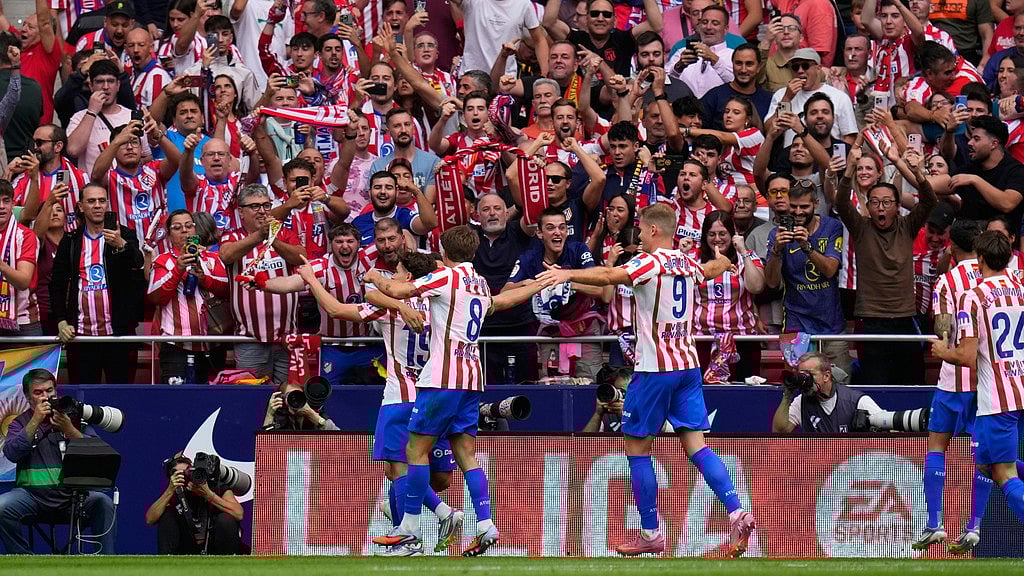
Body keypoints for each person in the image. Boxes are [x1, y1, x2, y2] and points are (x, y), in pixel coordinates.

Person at [535, 202, 756, 557]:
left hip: (654, 370)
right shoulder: (686, 262)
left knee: (637, 449)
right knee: (697, 446)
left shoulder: (649, 262)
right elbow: (710, 269)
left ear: (654, 230)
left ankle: (651, 532)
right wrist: (726, 261)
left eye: (641, 228)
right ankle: (736, 511)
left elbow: (609, 277)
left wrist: (567, 275)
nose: (638, 234)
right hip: (687, 367)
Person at [296, 250, 461, 555]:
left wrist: (310, 279)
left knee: (398, 469)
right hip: (436, 396)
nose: (392, 278)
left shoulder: (391, 310)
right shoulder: (443, 304)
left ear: (409, 278)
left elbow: (334, 309)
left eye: (396, 273)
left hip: (401, 397)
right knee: (408, 469)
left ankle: (417, 531)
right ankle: (431, 519)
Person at [366, 226, 500, 557]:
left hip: (442, 377)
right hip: (472, 376)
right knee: (466, 453)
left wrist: (373, 276)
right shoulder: (480, 283)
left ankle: (409, 531)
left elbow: (399, 290)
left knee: (414, 450)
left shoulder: (445, 277)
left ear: (443, 250)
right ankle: (485, 524)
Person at [931, 230, 1024, 533]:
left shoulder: (974, 296)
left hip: (997, 399)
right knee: (986, 464)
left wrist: (945, 351)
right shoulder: (1022, 284)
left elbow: (968, 357)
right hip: (1019, 385)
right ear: (1010, 256)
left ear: (980, 259)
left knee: (1003, 472)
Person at [916, 218, 990, 553]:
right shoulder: (1000, 280)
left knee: (936, 448)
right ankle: (973, 526)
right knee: (984, 455)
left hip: (953, 379)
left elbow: (943, 331)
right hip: (989, 382)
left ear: (953, 246)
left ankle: (935, 524)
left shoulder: (948, 281)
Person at [837, 146, 936, 385]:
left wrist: (918, 173)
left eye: (887, 202)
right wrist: (850, 168)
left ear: (897, 206)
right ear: (868, 207)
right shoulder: (860, 228)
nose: (881, 208)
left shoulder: (908, 225)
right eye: (876, 203)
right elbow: (840, 202)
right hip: (870, 317)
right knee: (875, 380)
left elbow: (930, 201)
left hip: (905, 316)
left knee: (912, 379)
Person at [0, 369, 116, 554]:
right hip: (32, 497)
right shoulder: (19, 423)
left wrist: (69, 429)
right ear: (28, 397)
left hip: (73, 498)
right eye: (38, 393)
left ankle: (106, 562)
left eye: (49, 391)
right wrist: (36, 421)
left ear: (56, 391)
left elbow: (98, 453)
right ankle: (25, 560)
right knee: (2, 506)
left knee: (103, 502)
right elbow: (12, 453)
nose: (45, 397)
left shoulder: (75, 418)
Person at [50, 183, 146, 384]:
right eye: (91, 201)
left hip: (118, 335)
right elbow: (57, 284)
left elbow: (139, 264)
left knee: (120, 397)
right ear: (81, 206)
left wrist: (122, 245)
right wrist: (60, 320)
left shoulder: (124, 234)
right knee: (83, 398)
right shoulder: (71, 240)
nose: (97, 206)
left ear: (108, 205)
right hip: (82, 337)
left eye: (102, 201)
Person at [763, 173, 852, 377]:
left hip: (832, 324)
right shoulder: (776, 234)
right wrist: (776, 250)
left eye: (804, 207)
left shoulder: (832, 227)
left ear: (816, 203)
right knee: (797, 387)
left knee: (840, 386)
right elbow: (771, 282)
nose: (798, 212)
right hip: (795, 324)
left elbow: (830, 270)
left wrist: (806, 247)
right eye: (793, 206)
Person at [219, 183, 307, 385]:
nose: (262, 211)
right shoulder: (232, 235)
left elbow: (301, 256)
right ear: (241, 212)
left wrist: (273, 239)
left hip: (287, 340)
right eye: (255, 206)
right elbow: (226, 255)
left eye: (266, 206)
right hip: (250, 340)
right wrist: (259, 235)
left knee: (289, 397)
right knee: (251, 399)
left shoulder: (284, 233)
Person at [148, 210, 230, 384]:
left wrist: (204, 279)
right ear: (169, 234)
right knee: (177, 404)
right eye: (177, 227)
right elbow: (155, 297)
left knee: (212, 404)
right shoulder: (163, 261)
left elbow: (228, 290)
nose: (184, 230)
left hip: (213, 344)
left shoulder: (213, 259)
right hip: (176, 346)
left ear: (195, 230)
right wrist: (178, 269)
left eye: (189, 226)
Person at [694, 210, 766, 380]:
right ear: (704, 236)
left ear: (732, 235)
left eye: (722, 234)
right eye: (711, 234)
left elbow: (756, 287)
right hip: (702, 339)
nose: (717, 239)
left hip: (742, 340)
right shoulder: (694, 259)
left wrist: (743, 251)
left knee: (742, 394)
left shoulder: (746, 257)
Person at [144, 453, 243, 554]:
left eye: (188, 472)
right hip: (186, 544)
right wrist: (169, 491)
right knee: (167, 516)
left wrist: (209, 495)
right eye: (180, 475)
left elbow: (238, 514)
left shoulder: (215, 487)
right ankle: (166, 564)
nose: (187, 478)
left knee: (226, 519)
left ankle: (227, 564)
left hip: (214, 543)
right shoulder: (174, 492)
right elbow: (150, 519)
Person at [771, 351, 884, 432]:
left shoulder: (856, 401)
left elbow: (887, 427)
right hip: (817, 462)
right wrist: (787, 396)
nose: (806, 380)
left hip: (849, 462)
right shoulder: (801, 401)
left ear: (826, 376)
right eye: (802, 375)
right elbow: (779, 432)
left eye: (811, 374)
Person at [0, 180, 41, 336]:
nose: (1, 206)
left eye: (6, 200)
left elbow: (24, 281)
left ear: (13, 204)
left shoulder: (26, 236)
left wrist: (1, 266)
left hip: (24, 322)